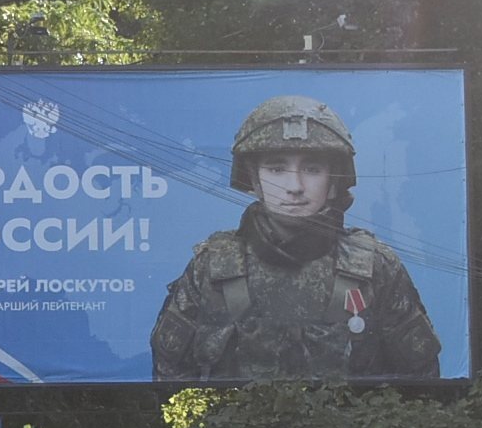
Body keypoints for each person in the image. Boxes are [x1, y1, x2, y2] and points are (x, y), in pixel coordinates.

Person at [149, 95, 441, 382]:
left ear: (333, 182)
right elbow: (170, 378)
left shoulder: (376, 267)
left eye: (312, 169)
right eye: (276, 169)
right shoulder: (211, 268)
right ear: (253, 180)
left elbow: (421, 382)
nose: (294, 186)